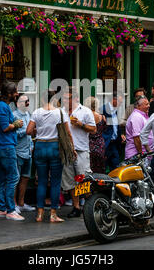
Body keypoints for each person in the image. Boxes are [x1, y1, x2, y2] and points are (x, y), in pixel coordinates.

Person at [27, 90, 75, 223]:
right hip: (55, 147)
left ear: (43, 99)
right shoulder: (60, 112)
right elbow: (68, 133)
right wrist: (72, 149)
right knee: (55, 182)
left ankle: (40, 214)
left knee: (41, 182)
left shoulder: (37, 112)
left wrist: (40, 130)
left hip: (40, 147)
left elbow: (28, 131)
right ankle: (53, 214)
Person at [0, 81, 24, 221]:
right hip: (6, 146)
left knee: (2, 178)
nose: (17, 94)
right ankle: (11, 210)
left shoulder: (2, 106)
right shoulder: (3, 107)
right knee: (13, 177)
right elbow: (5, 127)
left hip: (2, 146)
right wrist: (16, 124)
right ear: (9, 94)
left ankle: (1, 209)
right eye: (15, 92)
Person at [62, 87, 96, 218]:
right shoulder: (61, 111)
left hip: (81, 150)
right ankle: (76, 207)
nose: (65, 100)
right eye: (63, 98)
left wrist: (81, 124)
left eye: (67, 98)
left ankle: (89, 205)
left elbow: (93, 129)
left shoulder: (85, 111)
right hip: (67, 150)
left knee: (83, 179)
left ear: (75, 98)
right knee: (70, 181)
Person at [13, 94, 36, 213]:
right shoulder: (14, 115)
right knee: (15, 178)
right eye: (24, 101)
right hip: (17, 151)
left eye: (28, 101)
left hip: (28, 151)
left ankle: (21, 203)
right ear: (18, 103)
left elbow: (31, 134)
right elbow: (11, 133)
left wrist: (31, 146)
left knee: (25, 178)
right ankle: (14, 204)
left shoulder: (28, 114)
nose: (27, 103)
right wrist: (25, 132)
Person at [101, 93, 126, 172]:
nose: (120, 104)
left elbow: (114, 126)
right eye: (119, 102)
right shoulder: (103, 109)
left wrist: (120, 134)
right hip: (106, 143)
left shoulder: (115, 110)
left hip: (114, 143)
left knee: (116, 167)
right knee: (103, 167)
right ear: (113, 99)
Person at [84, 96, 107, 174]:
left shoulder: (85, 117)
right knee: (100, 168)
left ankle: (90, 184)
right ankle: (100, 185)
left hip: (88, 143)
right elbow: (104, 129)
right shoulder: (102, 117)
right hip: (100, 144)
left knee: (89, 168)